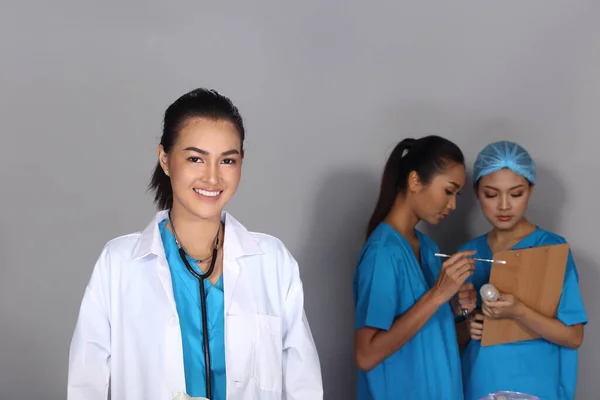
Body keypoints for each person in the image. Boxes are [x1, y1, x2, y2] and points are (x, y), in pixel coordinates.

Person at [67, 88, 323, 400]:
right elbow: (86, 385)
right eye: (195, 158)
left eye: (227, 160)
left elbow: (303, 386)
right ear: (165, 159)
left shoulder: (273, 262)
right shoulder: (118, 264)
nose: (212, 177)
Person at [458, 141, 587, 400]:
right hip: (479, 383)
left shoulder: (552, 250)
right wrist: (467, 326)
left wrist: (520, 311)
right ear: (476, 192)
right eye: (491, 194)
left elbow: (573, 337)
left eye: (516, 194)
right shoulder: (467, 254)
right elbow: (443, 339)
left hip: (535, 385)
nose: (504, 206)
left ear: (530, 189)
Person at [352, 135, 477, 400]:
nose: (453, 205)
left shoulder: (429, 249)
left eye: (456, 194)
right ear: (415, 181)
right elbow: (366, 355)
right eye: (448, 191)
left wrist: (460, 315)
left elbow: (429, 342)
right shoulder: (382, 253)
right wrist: (438, 295)